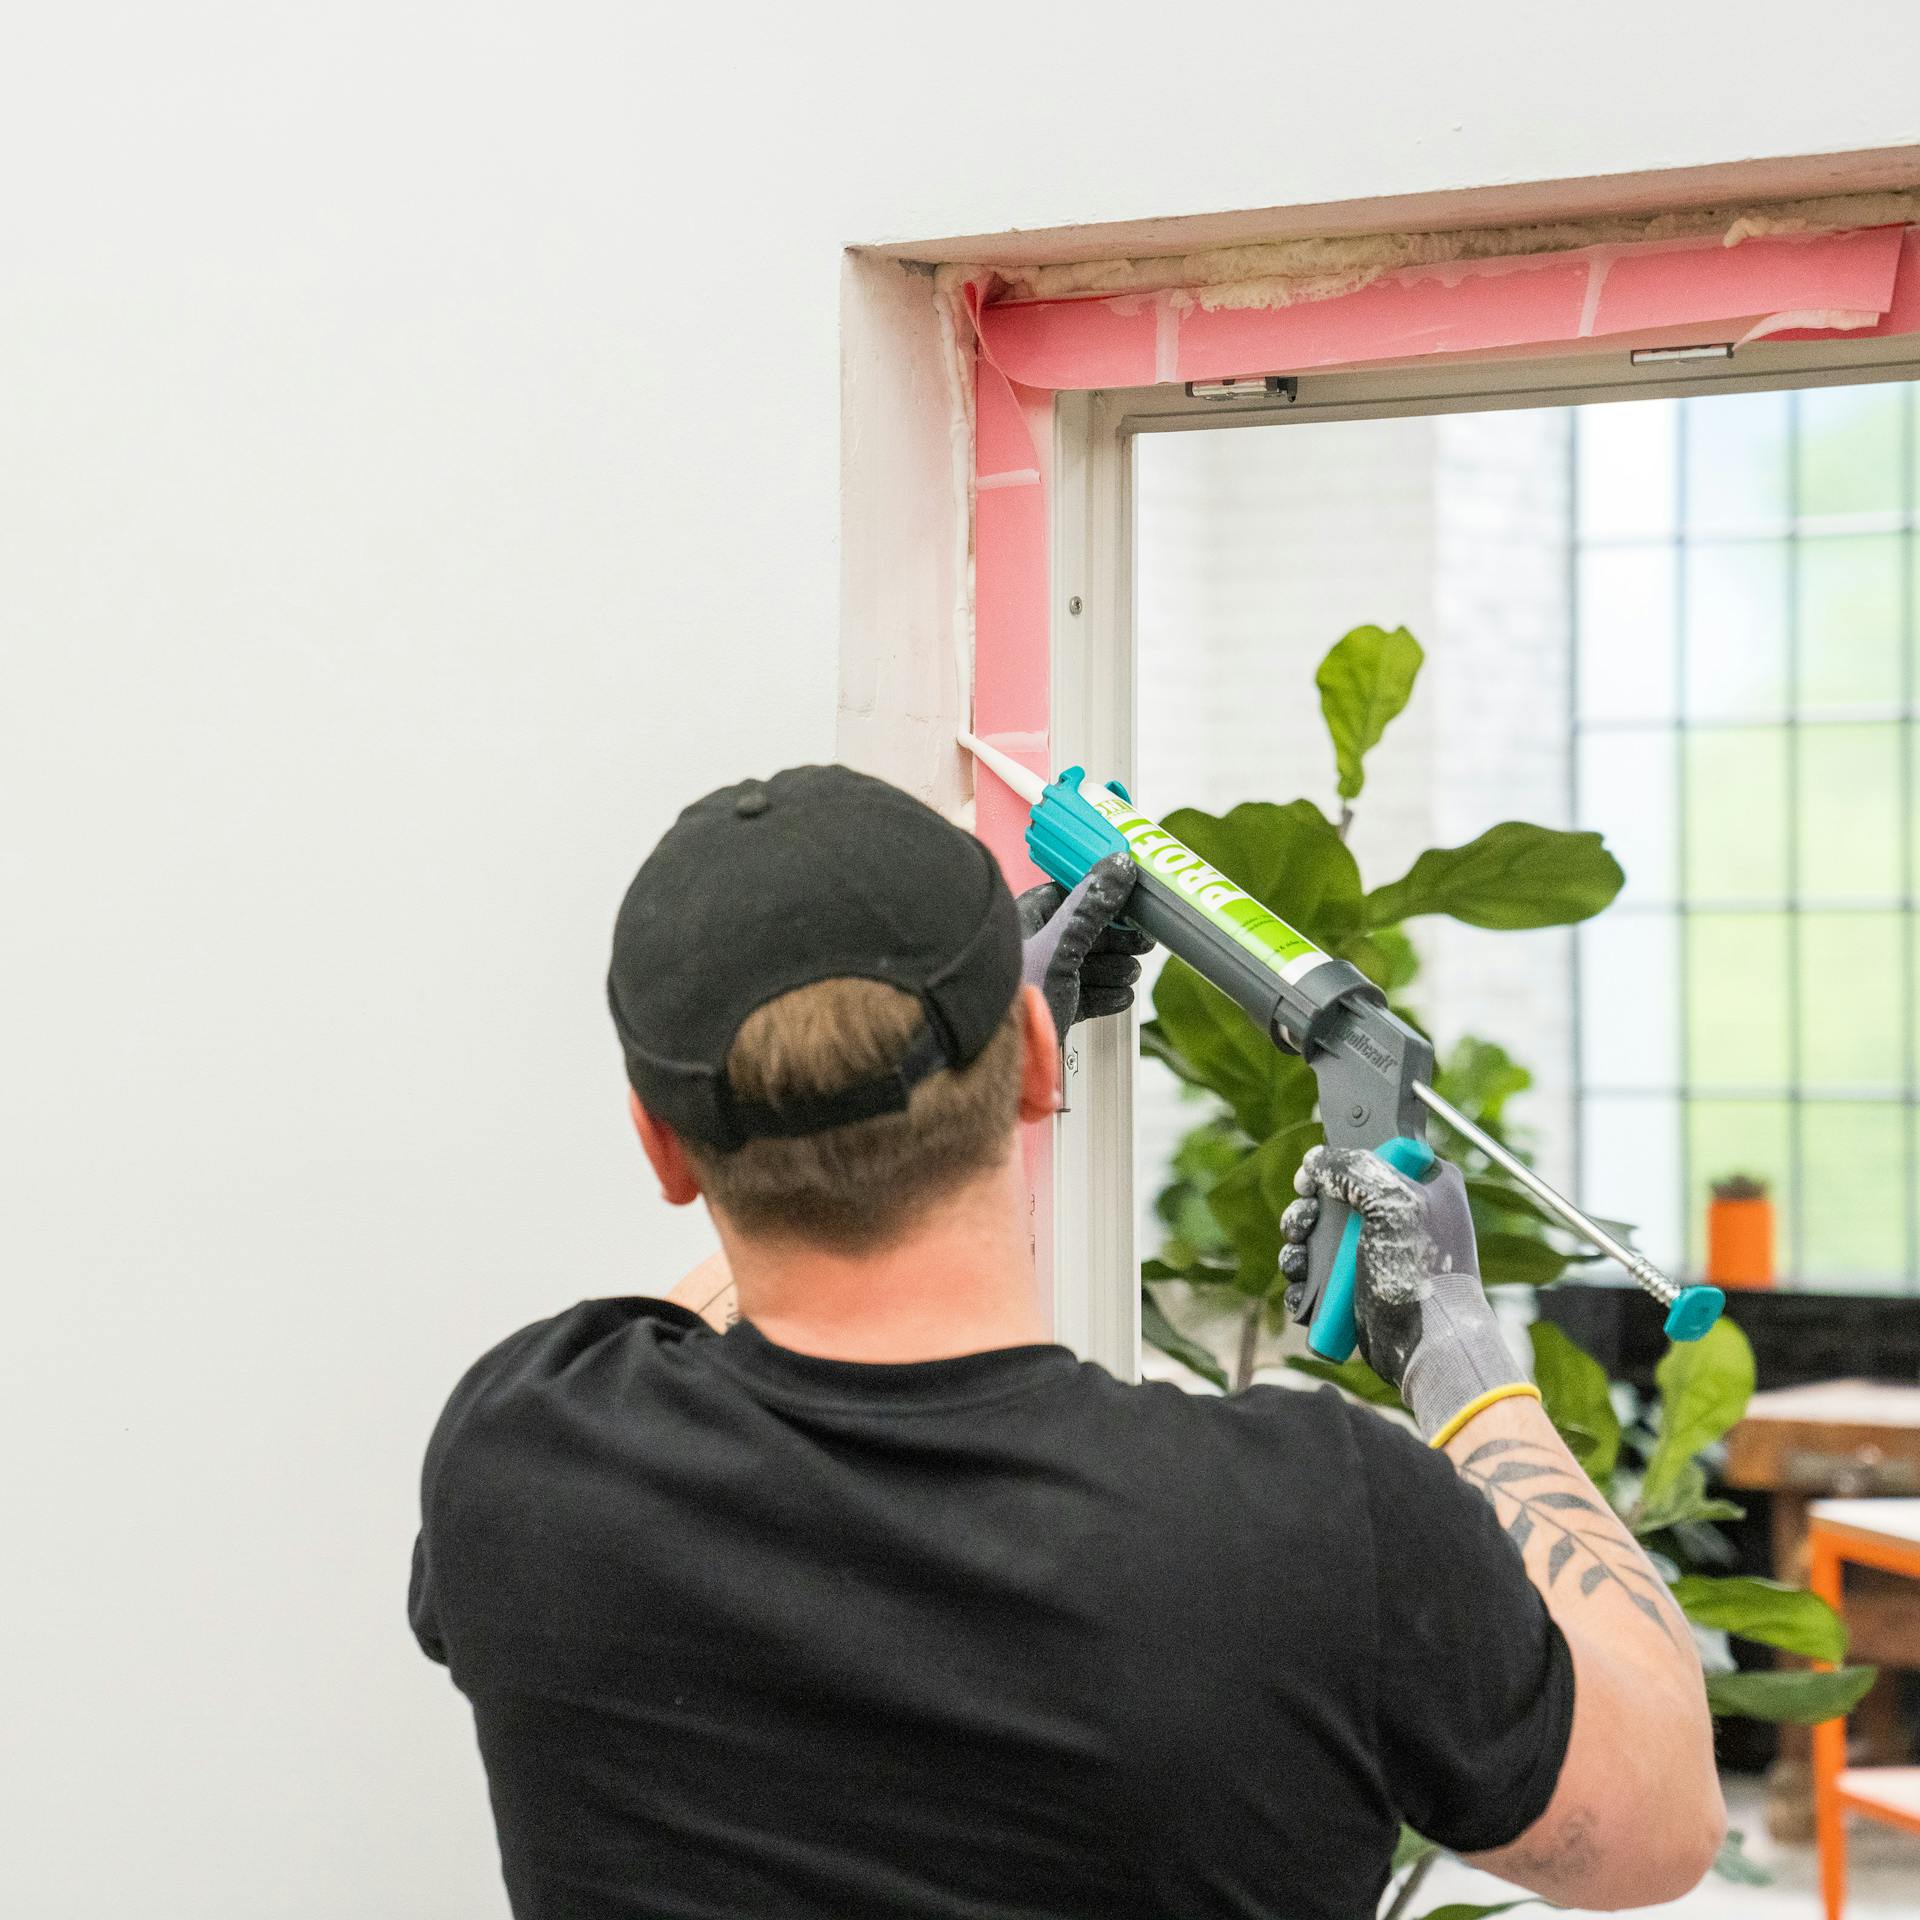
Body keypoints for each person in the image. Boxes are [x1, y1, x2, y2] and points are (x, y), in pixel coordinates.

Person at [410, 764, 1724, 1920]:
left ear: (658, 1147)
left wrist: (886, 1102)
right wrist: (1463, 1364)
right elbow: (1661, 1821)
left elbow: (737, 1295)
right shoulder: (1312, 1523)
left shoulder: (526, 1454)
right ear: (1041, 1062)